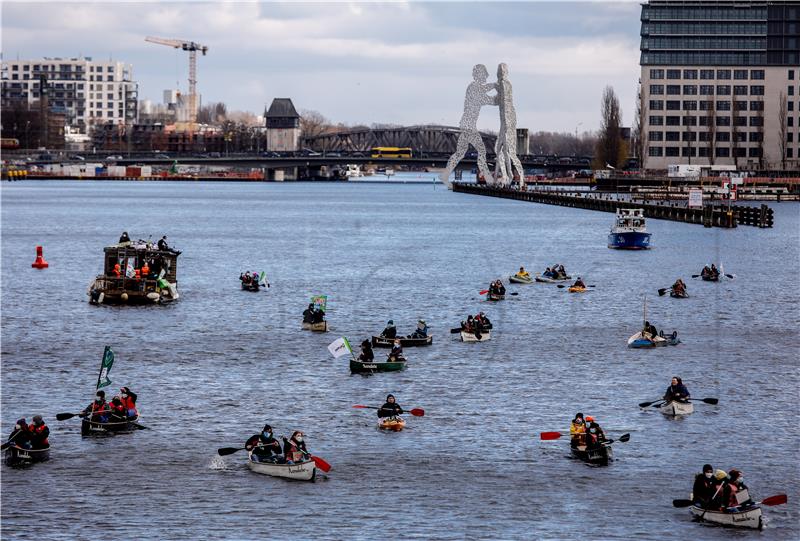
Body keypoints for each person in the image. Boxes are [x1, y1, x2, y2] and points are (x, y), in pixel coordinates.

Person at [439, 64, 497, 184]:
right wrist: (497, 86)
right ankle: (489, 179)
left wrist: (496, 88)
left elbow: (489, 97)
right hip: (469, 125)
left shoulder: (476, 89)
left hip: (466, 124)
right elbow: (490, 100)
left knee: (460, 152)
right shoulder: (473, 88)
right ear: (479, 75)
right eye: (484, 73)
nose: (487, 75)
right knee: (481, 150)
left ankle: (445, 175)